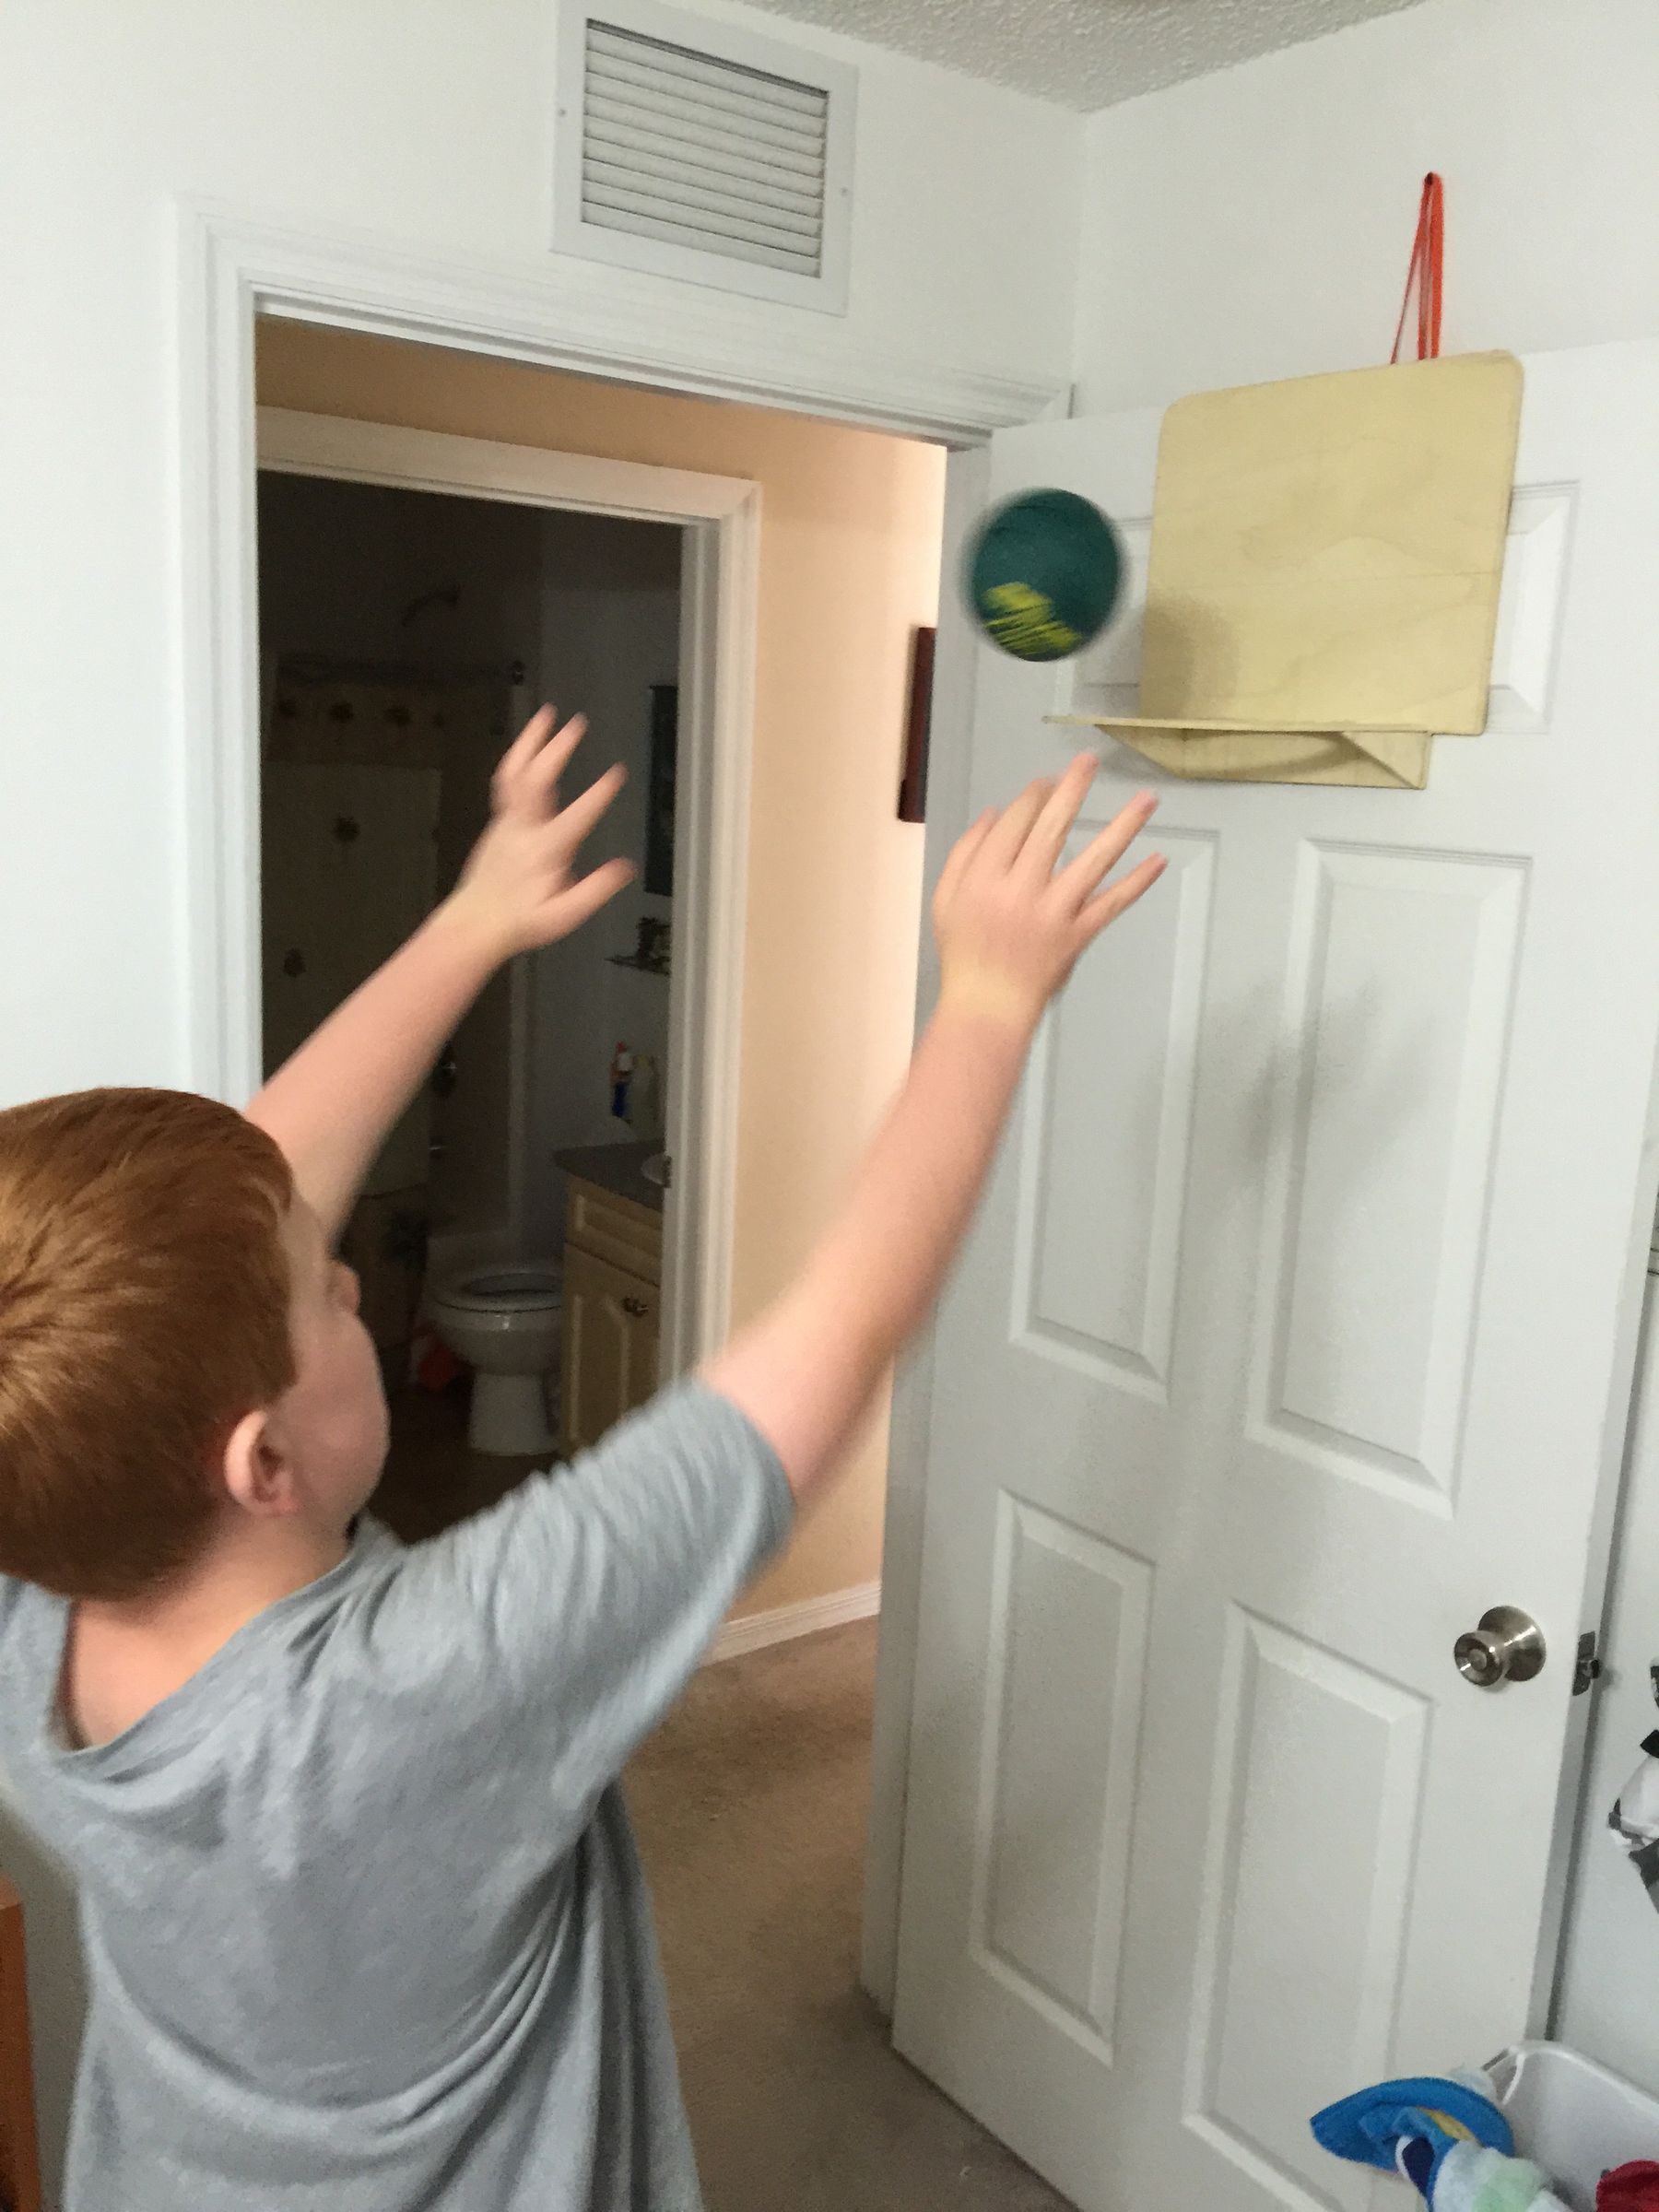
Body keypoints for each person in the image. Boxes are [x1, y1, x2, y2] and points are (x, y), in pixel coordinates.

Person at [0, 706, 1162, 2209]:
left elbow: (254, 1191)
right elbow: (838, 1330)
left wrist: (476, 921)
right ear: (262, 1463)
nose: (353, 1280)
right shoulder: (432, 1682)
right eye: (331, 1294)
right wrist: (992, 1000)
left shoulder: (41, 1594)